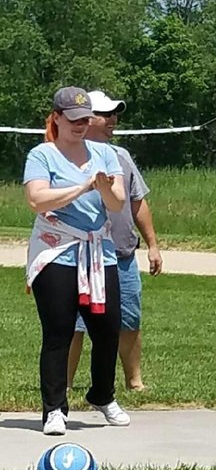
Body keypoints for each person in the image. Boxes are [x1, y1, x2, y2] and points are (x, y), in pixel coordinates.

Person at [24, 87, 130, 435]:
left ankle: (103, 395)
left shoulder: (105, 153)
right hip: (56, 251)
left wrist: (102, 188)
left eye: (86, 119)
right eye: (74, 120)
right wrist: (83, 187)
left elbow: (116, 204)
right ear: (56, 117)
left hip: (99, 252)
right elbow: (37, 200)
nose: (81, 125)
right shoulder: (42, 155)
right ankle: (54, 408)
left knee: (108, 329)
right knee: (58, 332)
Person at [67, 90, 163, 392]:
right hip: (82, 256)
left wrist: (153, 245)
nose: (113, 120)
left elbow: (137, 202)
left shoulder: (121, 157)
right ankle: (65, 385)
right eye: (106, 114)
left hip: (122, 256)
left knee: (129, 320)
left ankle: (134, 381)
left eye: (114, 114)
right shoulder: (67, 156)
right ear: (86, 119)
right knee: (75, 326)